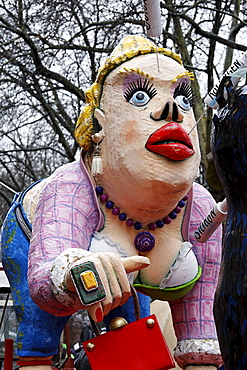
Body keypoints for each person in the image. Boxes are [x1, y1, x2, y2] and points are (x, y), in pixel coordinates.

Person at [1, 35, 223, 369]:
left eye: (182, 96)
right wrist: (75, 271)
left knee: (135, 332)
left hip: (134, 265)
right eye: (140, 96)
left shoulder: (201, 208)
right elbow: (45, 279)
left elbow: (201, 321)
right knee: (40, 333)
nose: (171, 109)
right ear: (101, 125)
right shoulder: (70, 189)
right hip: (29, 233)